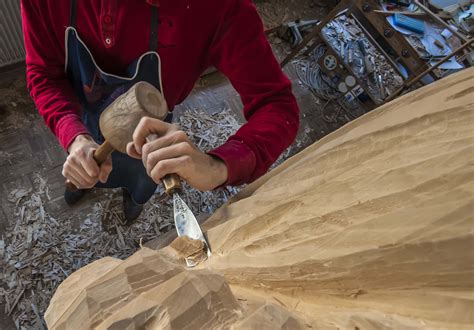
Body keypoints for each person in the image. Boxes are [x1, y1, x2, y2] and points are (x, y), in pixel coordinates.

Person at [21, 0, 300, 223]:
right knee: (85, 168)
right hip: (83, 116)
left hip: (151, 133)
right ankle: (82, 185)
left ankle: (134, 201)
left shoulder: (216, 8)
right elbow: (43, 73)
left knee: (141, 180)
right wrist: (73, 135)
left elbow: (278, 106)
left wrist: (218, 167)